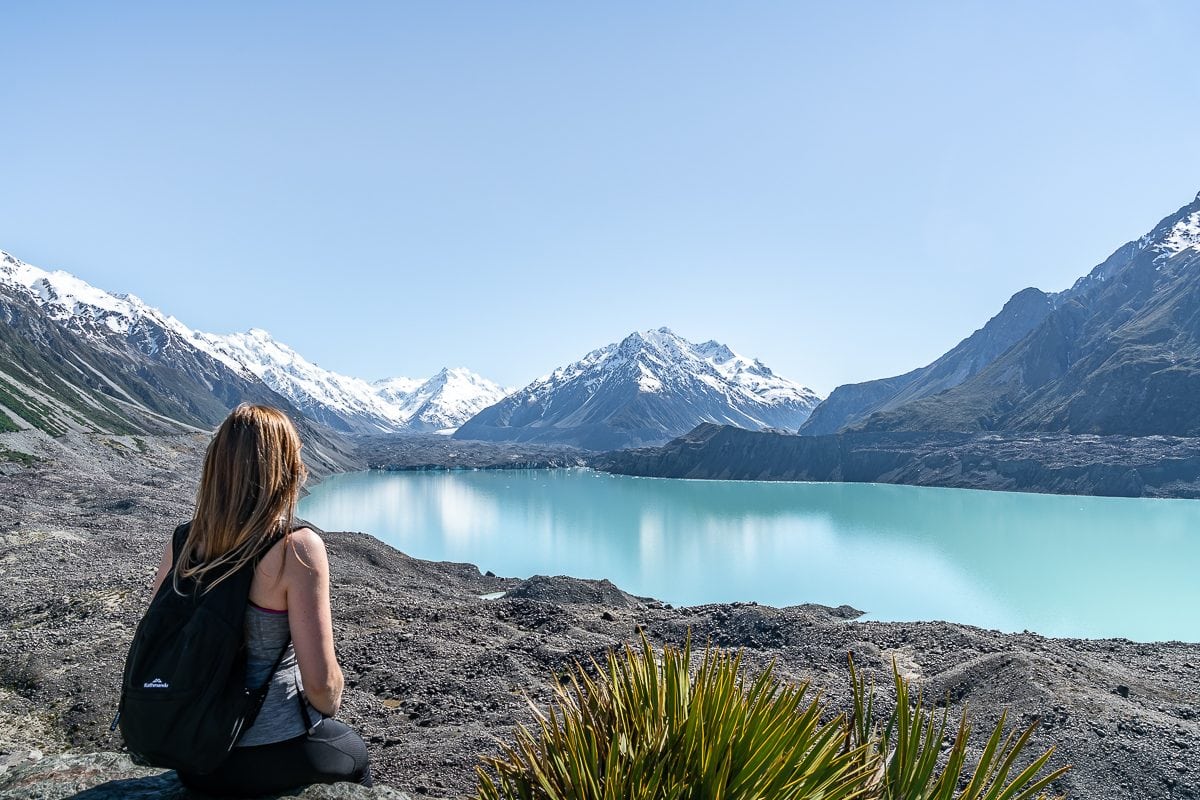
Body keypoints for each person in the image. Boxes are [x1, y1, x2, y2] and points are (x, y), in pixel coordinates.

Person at [149, 403, 371, 796]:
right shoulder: (294, 548)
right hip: (268, 751)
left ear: (217, 466)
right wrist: (332, 694)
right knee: (352, 751)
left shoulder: (182, 541)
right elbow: (321, 688)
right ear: (283, 469)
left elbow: (157, 638)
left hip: (193, 756)